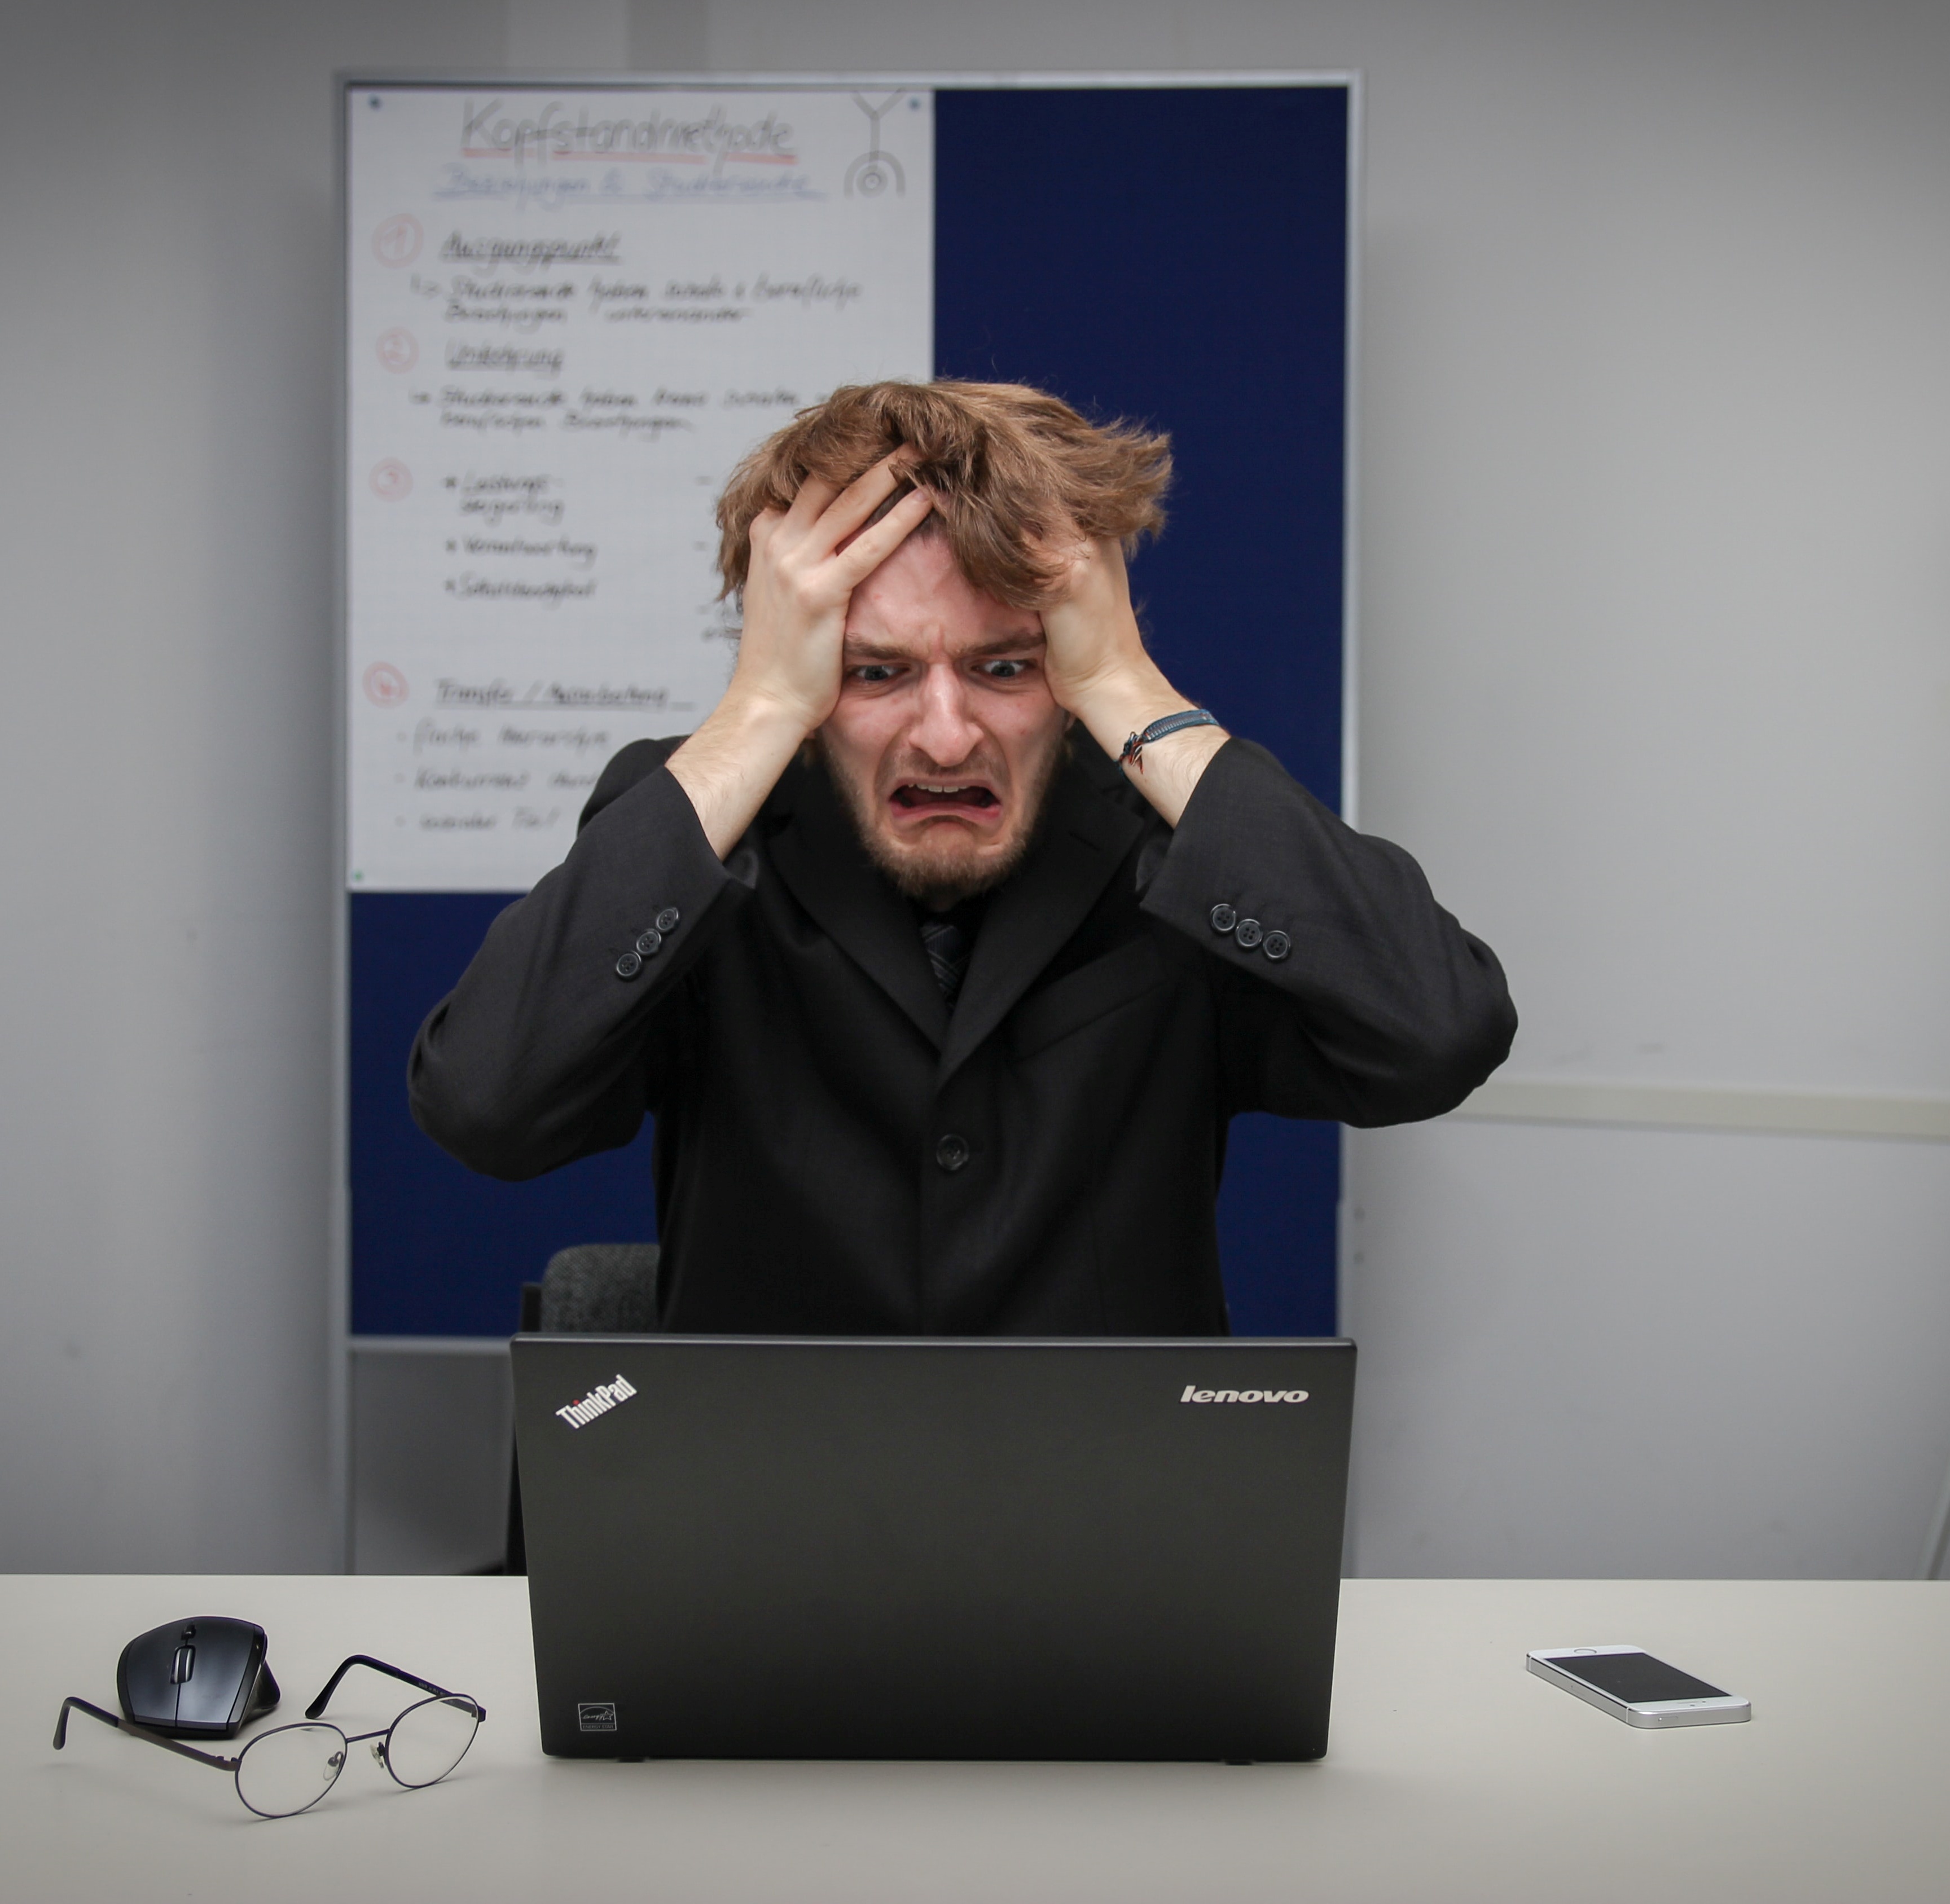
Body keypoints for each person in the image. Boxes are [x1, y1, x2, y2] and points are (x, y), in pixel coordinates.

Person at [410, 380, 1516, 1334]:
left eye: (1005, 667)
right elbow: (487, 1103)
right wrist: (759, 711)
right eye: (876, 672)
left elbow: (1435, 1034)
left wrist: (1126, 688)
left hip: (1108, 1499)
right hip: (771, 1499)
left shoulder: (1169, 838)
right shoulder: (706, 837)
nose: (944, 737)